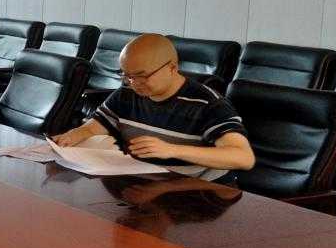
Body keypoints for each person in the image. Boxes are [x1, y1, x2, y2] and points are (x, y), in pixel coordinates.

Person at [51, 33, 255, 181]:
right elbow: (95, 126)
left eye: (142, 76)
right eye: (127, 75)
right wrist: (75, 134)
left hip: (197, 193)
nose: (133, 83)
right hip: (145, 181)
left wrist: (172, 150)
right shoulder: (127, 94)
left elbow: (243, 157)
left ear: (172, 68)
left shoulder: (208, 104)